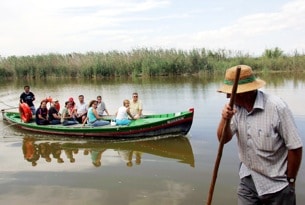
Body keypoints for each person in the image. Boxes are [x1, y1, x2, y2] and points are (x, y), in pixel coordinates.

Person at [217, 65, 303, 205]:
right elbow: (223, 139)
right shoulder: (234, 109)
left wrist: (291, 181)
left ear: (245, 93)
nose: (227, 96)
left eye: (231, 93)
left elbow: (295, 147)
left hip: (277, 185)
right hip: (249, 179)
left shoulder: (277, 107)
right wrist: (224, 119)